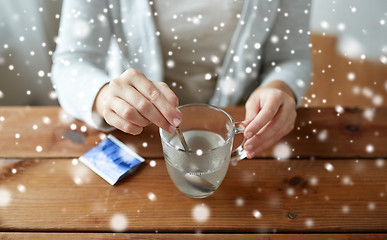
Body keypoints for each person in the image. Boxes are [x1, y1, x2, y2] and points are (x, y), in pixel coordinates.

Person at [51, 0, 311, 159]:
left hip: (240, 126)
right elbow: (71, 62)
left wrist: (281, 87)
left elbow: (292, 58)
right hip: (139, 137)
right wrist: (103, 95)